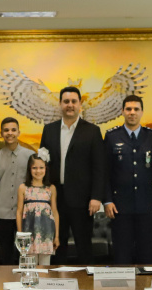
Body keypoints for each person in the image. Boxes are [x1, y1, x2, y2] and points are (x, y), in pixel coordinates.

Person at [40, 86, 105, 264]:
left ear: (80, 105)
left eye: (73, 101)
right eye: (66, 101)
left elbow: (99, 167)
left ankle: (87, 288)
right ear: (60, 104)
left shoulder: (92, 131)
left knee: (84, 248)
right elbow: (43, 165)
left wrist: (96, 197)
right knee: (56, 247)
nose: (70, 105)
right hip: (55, 200)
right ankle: (56, 288)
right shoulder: (49, 130)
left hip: (83, 202)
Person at [102, 95, 152, 264]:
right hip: (120, 206)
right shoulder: (112, 136)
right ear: (122, 111)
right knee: (122, 255)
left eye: (136, 109)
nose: (132, 113)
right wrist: (107, 200)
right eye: (128, 109)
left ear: (142, 112)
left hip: (147, 205)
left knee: (146, 254)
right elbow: (105, 172)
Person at [0, 117, 34, 266]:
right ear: (1, 133)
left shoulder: (30, 156)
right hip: (2, 213)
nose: (10, 133)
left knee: (26, 254)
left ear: (18, 132)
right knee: (6, 255)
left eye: (13, 130)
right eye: (6, 130)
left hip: (25, 214)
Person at [17, 154, 59, 265]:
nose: (38, 171)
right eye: (34, 168)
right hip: (28, 234)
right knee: (29, 267)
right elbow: (19, 211)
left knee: (45, 269)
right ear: (29, 169)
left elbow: (54, 212)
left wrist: (56, 236)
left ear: (46, 169)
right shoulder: (23, 188)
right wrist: (20, 235)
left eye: (41, 167)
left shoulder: (51, 188)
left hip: (47, 234)